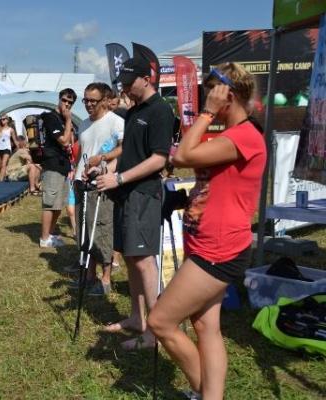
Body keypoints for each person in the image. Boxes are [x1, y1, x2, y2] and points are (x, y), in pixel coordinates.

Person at [145, 63, 266, 399]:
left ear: (228, 95)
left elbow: (183, 155)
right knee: (205, 325)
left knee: (160, 322)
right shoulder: (230, 136)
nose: (206, 99)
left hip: (218, 249)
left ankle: (206, 392)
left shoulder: (244, 137)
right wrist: (186, 200)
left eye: (212, 93)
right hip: (206, 243)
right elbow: (217, 185)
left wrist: (206, 113)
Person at [96, 56, 174, 350]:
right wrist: (107, 170)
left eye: (130, 83)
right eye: (123, 83)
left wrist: (119, 178)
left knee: (143, 260)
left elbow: (159, 159)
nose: (126, 88)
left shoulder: (161, 110)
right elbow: (128, 153)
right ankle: (137, 318)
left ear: (146, 79)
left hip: (144, 194)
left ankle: (154, 332)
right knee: (130, 257)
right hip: (126, 192)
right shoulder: (133, 112)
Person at [73, 82, 124, 296]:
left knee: (102, 230)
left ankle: (105, 278)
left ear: (105, 100)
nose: (88, 105)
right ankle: (89, 275)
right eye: (85, 100)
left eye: (93, 101)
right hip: (81, 182)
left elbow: (124, 147)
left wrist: (102, 158)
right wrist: (75, 170)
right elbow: (82, 150)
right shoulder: (84, 123)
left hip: (102, 183)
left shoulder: (116, 121)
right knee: (84, 231)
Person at [39, 88, 77, 248]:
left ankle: (49, 234)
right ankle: (44, 238)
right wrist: (68, 121)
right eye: (64, 100)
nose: (66, 104)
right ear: (59, 99)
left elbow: (69, 143)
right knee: (50, 203)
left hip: (63, 166)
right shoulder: (51, 117)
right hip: (52, 164)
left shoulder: (62, 119)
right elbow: (64, 140)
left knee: (58, 204)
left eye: (70, 102)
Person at [0, 114, 18, 181]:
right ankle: (5, 176)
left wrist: (19, 147)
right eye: (1, 119)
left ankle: (1, 180)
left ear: (7, 120)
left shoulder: (11, 130)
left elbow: (14, 140)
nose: (2, 120)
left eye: (4, 119)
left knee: (3, 164)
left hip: (7, 148)